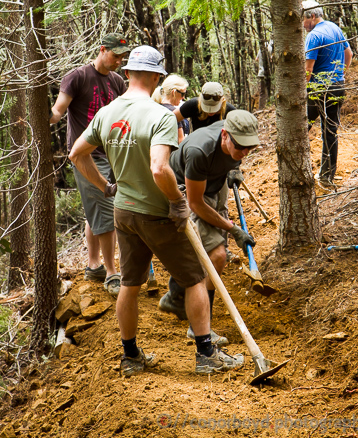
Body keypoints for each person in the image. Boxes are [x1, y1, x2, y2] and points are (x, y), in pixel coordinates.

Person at [69, 45, 244, 376]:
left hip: (124, 212)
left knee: (129, 284)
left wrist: (106, 187)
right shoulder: (159, 115)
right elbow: (160, 169)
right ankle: (206, 354)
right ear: (155, 77)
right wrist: (178, 202)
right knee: (194, 278)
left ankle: (130, 356)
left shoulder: (107, 112)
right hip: (155, 213)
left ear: (129, 73)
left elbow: (77, 154)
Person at [159, 110, 258, 346]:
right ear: (225, 135)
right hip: (185, 190)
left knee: (213, 246)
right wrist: (233, 229)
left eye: (250, 148)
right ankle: (199, 327)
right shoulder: (199, 151)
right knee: (217, 255)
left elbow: (235, 154)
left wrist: (234, 168)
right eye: (241, 147)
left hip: (214, 181)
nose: (245, 153)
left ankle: (175, 297)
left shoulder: (236, 131)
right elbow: (195, 203)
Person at [50, 33, 130, 295]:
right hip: (86, 156)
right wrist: (44, 113)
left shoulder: (117, 82)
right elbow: (58, 111)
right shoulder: (78, 77)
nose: (119, 61)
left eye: (122, 56)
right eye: (115, 55)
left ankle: (94, 265)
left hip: (113, 154)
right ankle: (111, 272)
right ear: (102, 49)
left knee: (95, 210)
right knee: (107, 210)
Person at [302, 0, 353, 189]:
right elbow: (349, 54)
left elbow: (308, 69)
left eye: (303, 20)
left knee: (299, 130)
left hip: (318, 90)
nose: (303, 25)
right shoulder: (335, 28)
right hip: (338, 86)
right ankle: (326, 177)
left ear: (312, 16)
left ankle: (299, 173)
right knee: (330, 132)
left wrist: (301, 93)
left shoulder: (314, 36)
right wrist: (341, 74)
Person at [152, 74, 189, 143]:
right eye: (182, 94)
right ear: (174, 92)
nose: (183, 97)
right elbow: (180, 141)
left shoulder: (155, 108)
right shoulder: (174, 113)